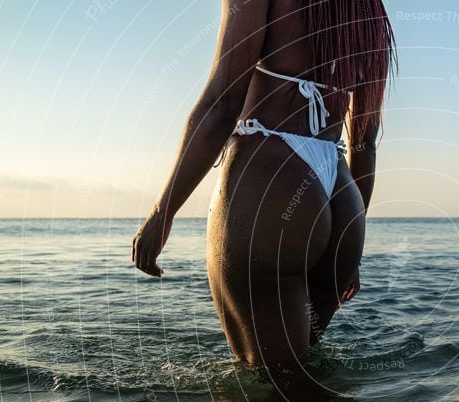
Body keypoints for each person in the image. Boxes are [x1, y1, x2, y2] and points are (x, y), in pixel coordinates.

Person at [132, 0, 396, 372]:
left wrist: (163, 213)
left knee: (275, 387)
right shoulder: (369, 11)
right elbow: (364, 145)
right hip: (342, 196)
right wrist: (346, 248)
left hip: (273, 179)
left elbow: (222, 107)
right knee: (301, 373)